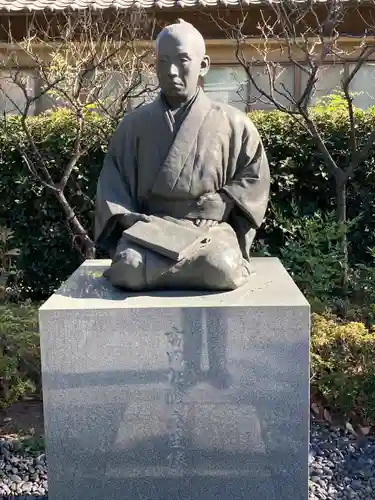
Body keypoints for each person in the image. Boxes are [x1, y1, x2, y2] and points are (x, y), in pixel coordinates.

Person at [94, 20, 270, 291]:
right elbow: (112, 183)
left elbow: (254, 175)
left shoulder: (235, 123)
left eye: (183, 60)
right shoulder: (134, 125)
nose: (172, 71)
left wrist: (224, 201)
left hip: (207, 229)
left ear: (204, 65)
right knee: (128, 268)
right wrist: (130, 219)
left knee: (220, 267)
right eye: (163, 62)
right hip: (151, 229)